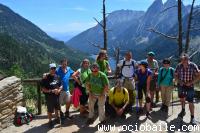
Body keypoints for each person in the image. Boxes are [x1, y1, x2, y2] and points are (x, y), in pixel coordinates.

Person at [175, 53, 200, 125]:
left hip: (190, 86)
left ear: (188, 59)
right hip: (181, 85)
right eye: (182, 60)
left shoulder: (193, 65)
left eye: (185, 59)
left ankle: (192, 118)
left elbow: (198, 75)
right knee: (182, 99)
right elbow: (176, 75)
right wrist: (180, 81)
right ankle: (183, 110)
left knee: (190, 101)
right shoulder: (179, 66)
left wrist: (191, 82)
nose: (184, 61)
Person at [41, 63, 62, 128]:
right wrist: (51, 91)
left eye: (54, 68)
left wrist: (59, 90)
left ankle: (57, 118)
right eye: (52, 68)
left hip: (57, 96)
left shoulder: (57, 76)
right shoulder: (45, 78)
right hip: (49, 97)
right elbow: (43, 89)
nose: (53, 70)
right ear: (49, 69)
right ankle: (50, 121)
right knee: (50, 110)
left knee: (57, 108)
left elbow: (61, 85)